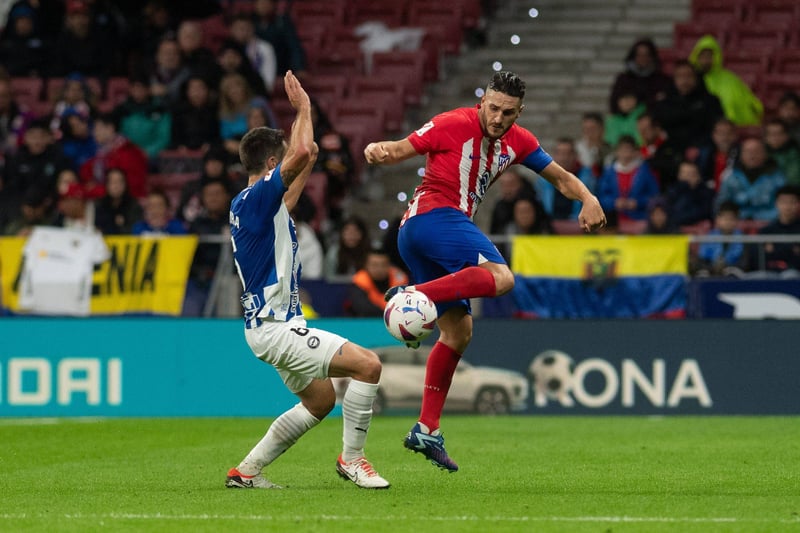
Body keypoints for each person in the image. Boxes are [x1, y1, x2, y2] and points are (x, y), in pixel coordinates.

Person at [364, 71, 606, 471]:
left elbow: (561, 178)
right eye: (492, 108)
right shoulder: (451, 123)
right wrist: (378, 149)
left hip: (432, 233)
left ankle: (426, 429)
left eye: (507, 112)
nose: (497, 118)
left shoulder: (519, 140)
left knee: (459, 332)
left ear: (519, 112)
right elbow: (399, 148)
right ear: (482, 103)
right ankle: (413, 295)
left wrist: (588, 197)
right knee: (501, 277)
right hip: (431, 218)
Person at [226, 71, 389, 489]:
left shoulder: (257, 205)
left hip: (271, 327)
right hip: (277, 328)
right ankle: (353, 460)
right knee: (368, 365)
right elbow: (299, 151)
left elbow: (301, 163)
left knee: (320, 400)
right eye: (280, 161)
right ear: (270, 165)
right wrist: (304, 109)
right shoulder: (256, 198)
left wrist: (309, 155)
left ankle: (246, 472)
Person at [688, 35, 763, 127]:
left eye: (709, 56)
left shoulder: (730, 78)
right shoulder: (691, 79)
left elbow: (749, 102)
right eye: (702, 56)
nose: (706, 60)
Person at [715, 137, 786, 221]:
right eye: (748, 152)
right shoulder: (731, 177)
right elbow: (721, 205)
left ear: (765, 154)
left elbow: (784, 206)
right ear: (741, 155)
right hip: (736, 224)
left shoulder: (777, 178)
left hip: (769, 223)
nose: (752, 155)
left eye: (756, 151)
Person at [596, 135, 660, 222]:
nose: (625, 154)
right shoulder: (609, 172)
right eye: (622, 150)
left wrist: (638, 202)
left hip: (640, 218)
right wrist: (614, 202)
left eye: (629, 150)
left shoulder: (644, 171)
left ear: (635, 152)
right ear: (617, 152)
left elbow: (654, 196)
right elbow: (601, 196)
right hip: (613, 220)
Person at [608, 37, 671, 115]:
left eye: (646, 55)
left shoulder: (662, 80)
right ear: (633, 56)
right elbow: (614, 104)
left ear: (652, 57)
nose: (643, 58)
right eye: (639, 55)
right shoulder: (623, 79)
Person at [747, 185, 800, 274]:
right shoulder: (766, 231)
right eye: (784, 202)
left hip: (795, 276)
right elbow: (756, 258)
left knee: (791, 274)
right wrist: (792, 249)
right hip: (769, 275)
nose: (788, 207)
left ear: (798, 204)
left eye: (792, 202)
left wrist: (774, 249)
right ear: (776, 203)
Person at [345, 247, 408, 317]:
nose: (379, 269)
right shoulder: (359, 282)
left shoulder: (400, 280)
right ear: (366, 265)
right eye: (374, 265)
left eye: (383, 265)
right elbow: (362, 307)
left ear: (389, 265)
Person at [694, 201, 744, 277]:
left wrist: (726, 266)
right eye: (725, 219)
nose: (728, 222)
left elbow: (744, 263)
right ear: (718, 219)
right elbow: (701, 260)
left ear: (737, 221)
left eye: (731, 219)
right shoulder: (709, 237)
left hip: (733, 276)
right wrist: (713, 267)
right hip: (711, 274)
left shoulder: (744, 239)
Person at [665, 159, 714, 228]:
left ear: (698, 176)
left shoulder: (707, 193)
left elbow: (705, 213)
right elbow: (674, 215)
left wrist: (692, 191)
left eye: (692, 174)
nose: (688, 177)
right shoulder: (672, 191)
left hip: (701, 229)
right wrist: (687, 189)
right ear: (679, 175)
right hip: (676, 229)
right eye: (685, 173)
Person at [94, 168, 143, 235]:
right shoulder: (99, 205)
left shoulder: (134, 206)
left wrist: (122, 226)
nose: (116, 186)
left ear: (125, 184)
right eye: (113, 182)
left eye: (120, 182)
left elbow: (137, 231)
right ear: (106, 184)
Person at [324, 214, 371, 279]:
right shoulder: (334, 252)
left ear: (362, 234)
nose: (351, 235)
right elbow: (329, 278)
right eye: (347, 231)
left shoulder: (370, 253)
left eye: (355, 231)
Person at [763, 119, 800, 186]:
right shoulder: (761, 154)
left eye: (779, 134)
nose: (775, 137)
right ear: (766, 138)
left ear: (787, 136)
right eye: (771, 134)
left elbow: (794, 180)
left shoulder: (795, 155)